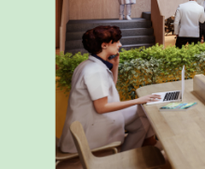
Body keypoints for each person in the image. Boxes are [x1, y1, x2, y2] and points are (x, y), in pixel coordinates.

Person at [59, 25, 159, 153]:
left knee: (142, 120)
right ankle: (147, 146)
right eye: (116, 42)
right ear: (104, 45)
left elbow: (109, 89)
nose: (120, 45)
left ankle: (133, 154)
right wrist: (138, 100)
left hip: (93, 118)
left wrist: (115, 66)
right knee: (143, 110)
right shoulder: (95, 71)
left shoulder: (89, 64)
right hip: (92, 125)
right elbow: (101, 107)